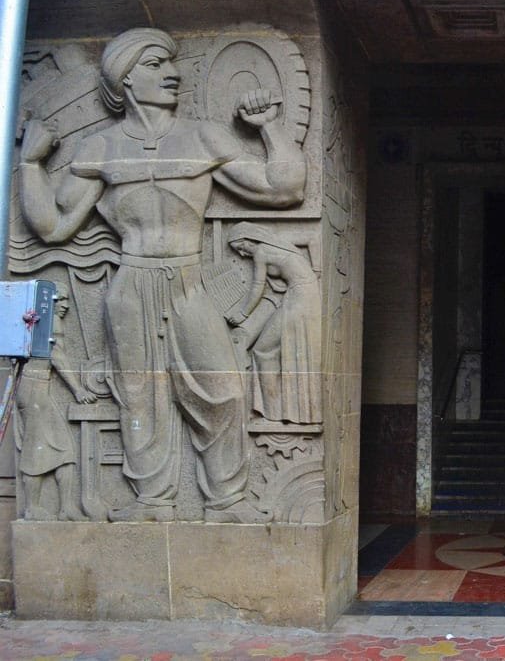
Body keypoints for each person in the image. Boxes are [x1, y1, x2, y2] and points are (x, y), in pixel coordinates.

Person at [16, 28, 306, 523]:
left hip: (187, 279)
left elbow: (284, 187)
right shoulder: (101, 147)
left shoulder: (202, 136)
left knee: (224, 391)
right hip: (131, 283)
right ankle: (152, 503)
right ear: (125, 79)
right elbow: (53, 227)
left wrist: (269, 128)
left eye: (171, 63)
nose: (172, 74)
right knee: (138, 394)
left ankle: (227, 502)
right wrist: (30, 164)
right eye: (155, 64)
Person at [226, 222, 322, 426]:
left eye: (241, 247)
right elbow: (312, 237)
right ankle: (285, 411)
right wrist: (316, 270)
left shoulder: (260, 252)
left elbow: (257, 288)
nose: (242, 253)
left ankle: (273, 413)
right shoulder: (280, 239)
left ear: (250, 238)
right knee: (286, 350)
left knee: (263, 351)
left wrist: (242, 314)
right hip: (307, 293)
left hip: (297, 299)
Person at [15, 293, 97, 521]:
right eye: (60, 299)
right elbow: (57, 356)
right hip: (34, 389)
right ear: (49, 301)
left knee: (61, 449)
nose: (65, 305)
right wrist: (77, 390)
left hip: (36, 388)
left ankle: (65, 508)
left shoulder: (40, 320)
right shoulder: (49, 320)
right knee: (40, 449)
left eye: (67, 300)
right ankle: (33, 508)